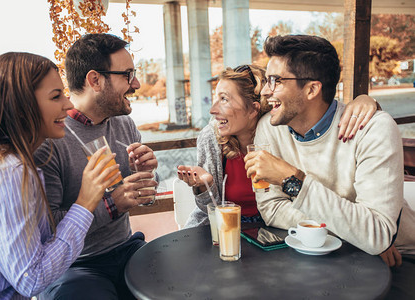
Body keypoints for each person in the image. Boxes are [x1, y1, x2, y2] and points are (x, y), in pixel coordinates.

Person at [244, 35, 415, 299]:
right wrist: (356, 235)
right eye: (267, 80)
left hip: (396, 259)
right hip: (317, 252)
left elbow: (378, 233)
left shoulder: (372, 129)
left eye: (276, 81)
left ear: (312, 89)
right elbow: (273, 210)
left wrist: (294, 181)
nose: (265, 91)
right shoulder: (270, 128)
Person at [0, 52, 118, 299]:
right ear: (20, 105)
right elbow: (32, 279)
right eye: (56, 96)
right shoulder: (6, 173)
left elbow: (39, 250)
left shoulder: (16, 165)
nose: (68, 105)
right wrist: (86, 202)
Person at [34, 33, 158, 299]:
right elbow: (48, 230)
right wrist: (112, 205)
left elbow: (145, 196)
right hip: (73, 265)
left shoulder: (124, 124)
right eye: (127, 74)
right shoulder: (50, 139)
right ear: (95, 80)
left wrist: (144, 176)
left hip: (125, 248)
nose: (136, 83)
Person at [177, 64, 379, 228]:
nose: (213, 110)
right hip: (225, 232)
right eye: (215, 98)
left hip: (277, 232)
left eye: (224, 99)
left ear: (253, 110)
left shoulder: (283, 132)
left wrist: (367, 100)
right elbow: (209, 211)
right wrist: (205, 186)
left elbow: (323, 119)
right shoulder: (211, 138)